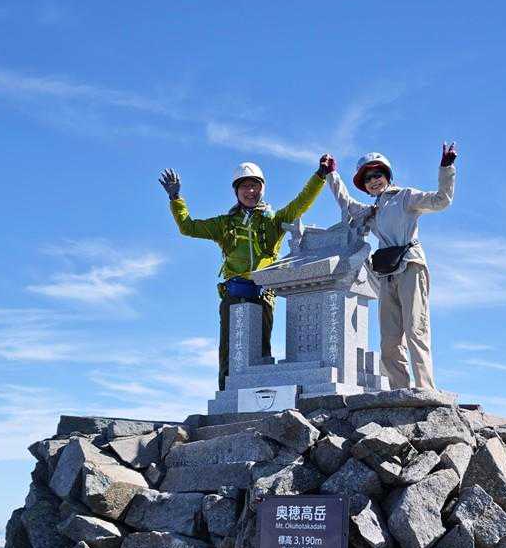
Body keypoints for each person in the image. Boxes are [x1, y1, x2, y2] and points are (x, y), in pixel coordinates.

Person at [159, 158, 331, 390]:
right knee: (230, 351)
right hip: (234, 294)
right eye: (244, 186)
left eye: (254, 186)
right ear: (236, 191)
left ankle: (260, 398)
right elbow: (188, 227)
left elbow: (300, 203)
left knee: (261, 351)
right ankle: (227, 396)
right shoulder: (225, 224)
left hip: (263, 294)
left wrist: (319, 176)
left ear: (262, 188)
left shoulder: (273, 221)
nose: (250, 191)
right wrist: (175, 198)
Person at [321, 144, 457, 390]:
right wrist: (332, 175)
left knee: (416, 330)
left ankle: (425, 389)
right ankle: (399, 391)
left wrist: (446, 168)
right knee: (389, 340)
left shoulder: (405, 196)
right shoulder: (371, 211)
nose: (373, 181)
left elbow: (441, 200)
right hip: (386, 274)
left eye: (377, 174)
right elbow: (346, 203)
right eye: (367, 178)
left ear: (387, 175)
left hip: (410, 265)